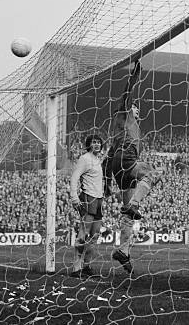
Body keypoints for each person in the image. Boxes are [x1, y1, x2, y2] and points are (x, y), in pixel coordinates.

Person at [103, 59, 161, 274]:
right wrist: (134, 76)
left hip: (119, 168)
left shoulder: (128, 128)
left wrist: (108, 181)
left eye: (137, 108)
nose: (136, 109)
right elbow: (127, 95)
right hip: (126, 159)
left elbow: (108, 155)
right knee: (154, 173)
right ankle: (134, 204)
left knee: (127, 217)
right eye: (135, 107)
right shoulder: (124, 114)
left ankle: (123, 251)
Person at [69, 134, 105, 278]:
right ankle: (76, 268)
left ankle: (87, 266)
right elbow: (74, 177)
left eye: (99, 142)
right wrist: (74, 197)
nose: (97, 144)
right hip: (88, 198)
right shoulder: (84, 159)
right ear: (89, 144)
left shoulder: (98, 160)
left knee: (95, 235)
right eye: (94, 142)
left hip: (99, 199)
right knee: (83, 233)